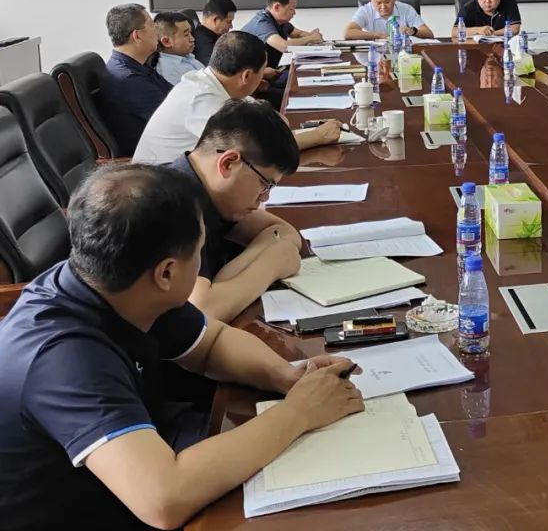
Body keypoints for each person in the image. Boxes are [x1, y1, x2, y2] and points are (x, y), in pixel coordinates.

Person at [0, 164, 363, 530]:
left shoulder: (120, 283)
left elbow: (210, 344)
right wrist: (298, 413)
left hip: (135, 469)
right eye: (200, 251)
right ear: (167, 273)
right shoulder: (64, 360)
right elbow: (163, 499)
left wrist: (286, 376)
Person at [166, 99, 305, 322]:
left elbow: (283, 232)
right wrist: (270, 265)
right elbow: (203, 312)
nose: (265, 197)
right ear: (228, 163)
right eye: (265, 184)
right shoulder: (173, 207)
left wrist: (228, 280)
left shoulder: (210, 191)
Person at [134, 32, 340, 163]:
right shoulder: (202, 98)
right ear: (247, 76)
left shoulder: (212, 81)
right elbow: (255, 149)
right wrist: (317, 137)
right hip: (157, 194)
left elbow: (273, 118)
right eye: (262, 71)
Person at [99, 3, 174, 156]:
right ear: (137, 35)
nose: (157, 32)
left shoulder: (137, 66)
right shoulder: (129, 80)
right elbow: (173, 119)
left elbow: (173, 95)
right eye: (152, 26)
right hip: (154, 157)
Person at [241, 0, 324, 69]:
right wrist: (310, 38)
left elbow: (299, 34)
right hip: (251, 74)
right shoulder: (262, 24)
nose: (294, 13)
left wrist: (313, 35)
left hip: (268, 71)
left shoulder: (282, 22)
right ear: (277, 7)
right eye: (291, 9)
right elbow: (284, 46)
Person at [344, 0, 432, 40]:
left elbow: (429, 33)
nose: (383, 7)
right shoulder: (365, 10)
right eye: (378, 3)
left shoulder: (406, 9)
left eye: (387, 1)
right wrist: (376, 35)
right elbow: (348, 33)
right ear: (371, 0)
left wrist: (413, 31)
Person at [154, 12, 204, 86]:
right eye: (186, 34)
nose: (192, 39)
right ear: (166, 42)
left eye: (190, 33)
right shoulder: (169, 72)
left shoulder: (187, 57)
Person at [193, 0, 237, 65]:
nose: (231, 26)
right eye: (228, 22)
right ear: (215, 20)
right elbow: (215, 68)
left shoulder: (213, 36)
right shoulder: (204, 44)